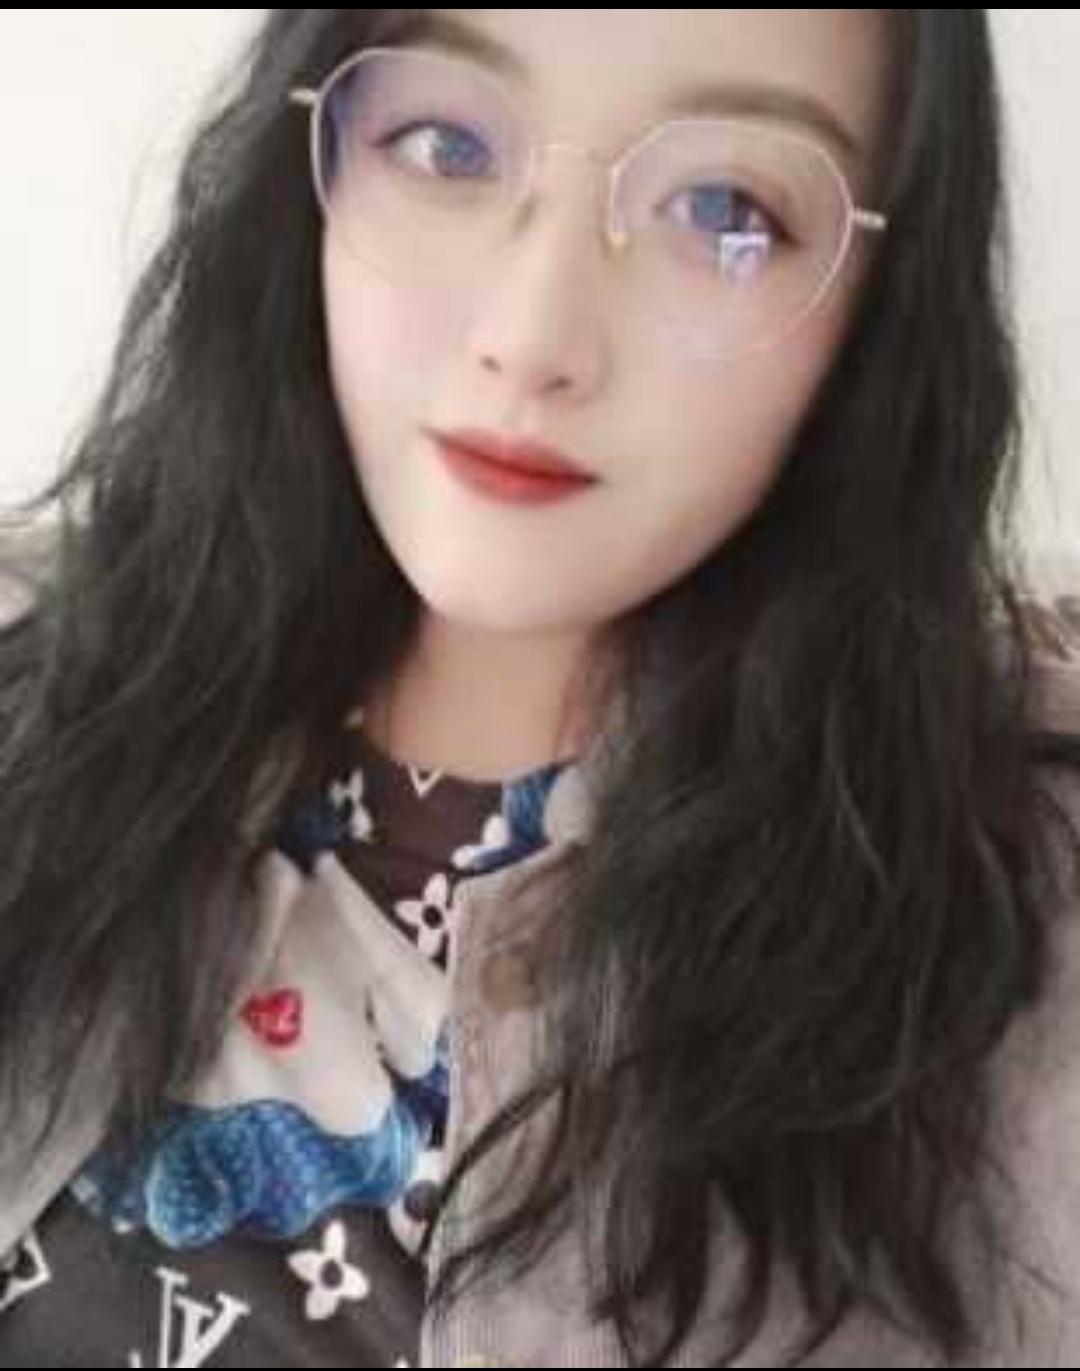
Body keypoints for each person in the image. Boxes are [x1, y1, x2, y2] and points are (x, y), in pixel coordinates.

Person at [1, 9, 1079, 1367]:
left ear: (877, 306)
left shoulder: (1029, 917)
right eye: (443, 145)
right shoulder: (39, 704)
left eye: (724, 209)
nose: (534, 336)